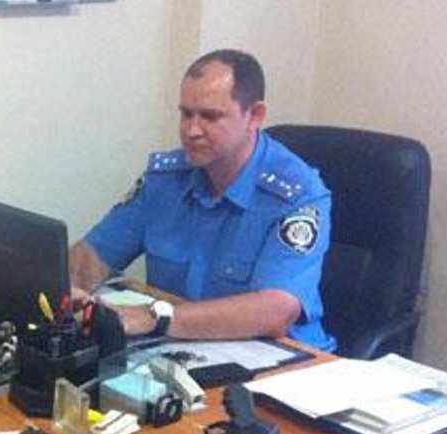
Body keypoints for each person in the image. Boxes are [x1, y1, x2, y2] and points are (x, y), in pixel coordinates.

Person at [70, 49, 335, 351]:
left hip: (283, 358)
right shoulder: (166, 180)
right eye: (186, 114)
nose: (192, 130)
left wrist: (155, 317)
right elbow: (95, 255)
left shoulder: (296, 194)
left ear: (255, 116)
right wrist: (68, 290)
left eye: (210, 116)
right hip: (185, 348)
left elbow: (276, 310)